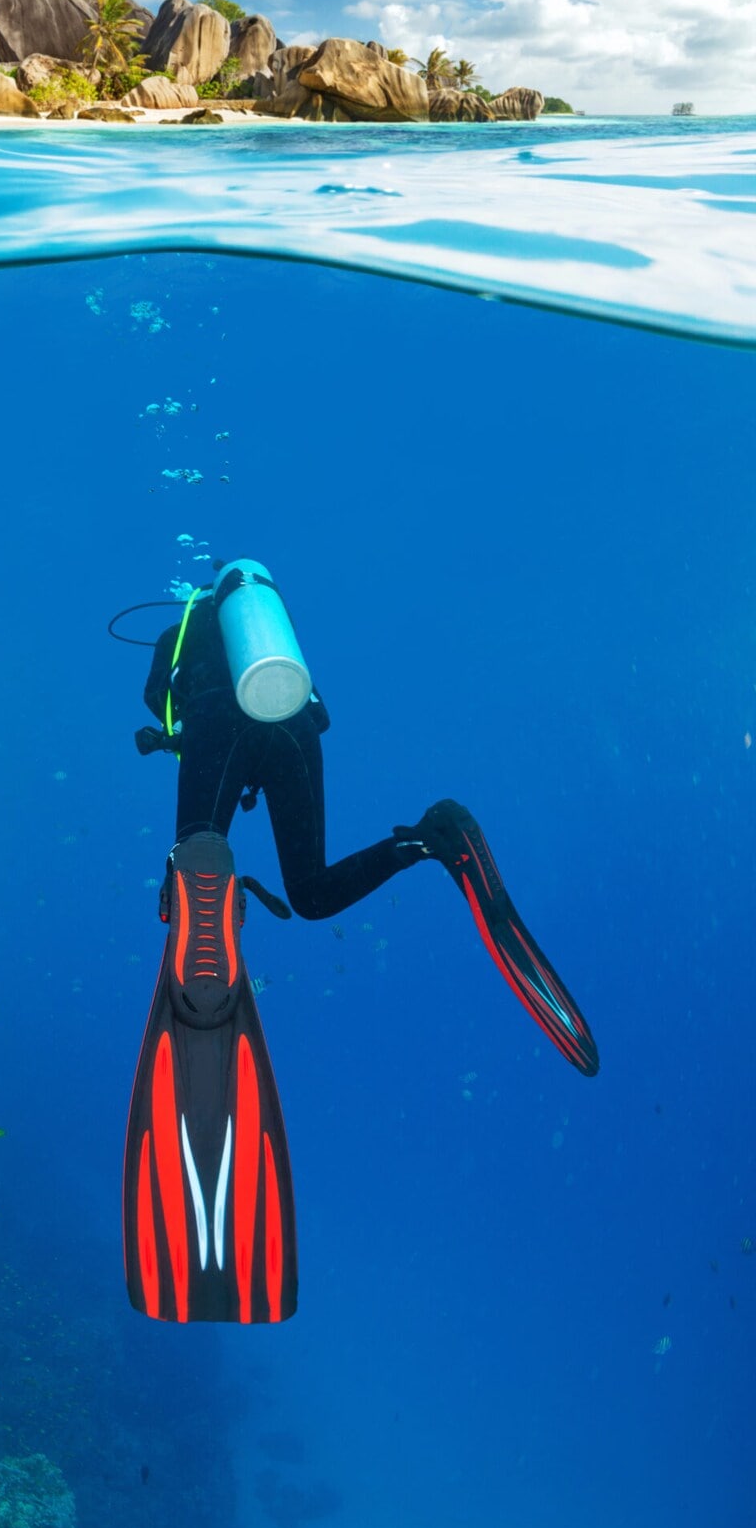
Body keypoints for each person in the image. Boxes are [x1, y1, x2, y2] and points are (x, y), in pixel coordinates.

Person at [122, 562, 597, 1326]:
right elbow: (313, 705)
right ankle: (432, 841)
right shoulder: (267, 633)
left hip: (215, 722)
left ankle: (201, 895)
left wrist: (178, 740)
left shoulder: (182, 632)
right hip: (296, 727)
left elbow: (163, 708)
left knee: (196, 859)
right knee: (309, 892)